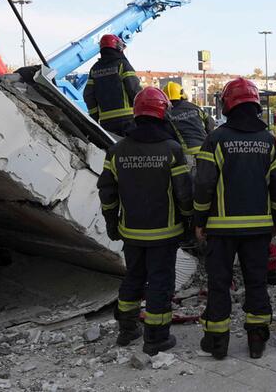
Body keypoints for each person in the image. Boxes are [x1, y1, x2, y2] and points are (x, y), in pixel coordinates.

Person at [192, 77, 276, 360]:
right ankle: (256, 340)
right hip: (259, 230)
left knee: (219, 284)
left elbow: (204, 185)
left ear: (227, 105)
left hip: (221, 231)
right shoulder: (268, 141)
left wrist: (200, 219)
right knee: (256, 283)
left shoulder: (216, 139)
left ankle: (217, 342)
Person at [97, 87, 192, 355]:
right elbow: (184, 193)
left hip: (132, 233)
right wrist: (188, 223)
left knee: (133, 279)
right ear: (163, 114)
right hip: (165, 233)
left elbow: (107, 192)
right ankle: (156, 338)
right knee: (160, 283)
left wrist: (111, 223)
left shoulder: (116, 151)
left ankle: (127, 331)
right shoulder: (172, 150)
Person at [83, 34, 142, 137]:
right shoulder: (123, 64)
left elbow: (88, 95)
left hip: (106, 123)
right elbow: (134, 89)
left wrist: (94, 117)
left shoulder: (95, 69)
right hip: (128, 120)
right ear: (117, 47)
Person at [163, 81, 215, 167]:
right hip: (205, 150)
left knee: (189, 179)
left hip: (186, 155)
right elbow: (211, 123)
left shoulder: (167, 114)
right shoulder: (195, 107)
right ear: (182, 94)